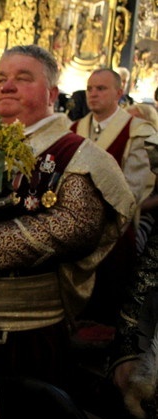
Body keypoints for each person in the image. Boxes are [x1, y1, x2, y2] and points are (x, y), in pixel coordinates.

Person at [0, 45, 136, 389]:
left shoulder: (78, 154)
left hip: (25, 332)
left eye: (23, 78)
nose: (7, 86)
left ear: (51, 93)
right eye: (1, 79)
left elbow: (76, 225)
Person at [69, 69, 155, 332]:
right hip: (72, 232)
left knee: (106, 313)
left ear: (119, 93)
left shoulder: (137, 131)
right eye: (90, 88)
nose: (93, 94)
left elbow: (132, 191)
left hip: (114, 232)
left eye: (101, 88)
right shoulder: (73, 128)